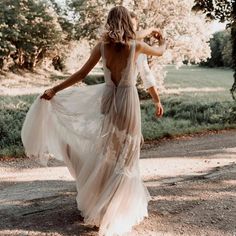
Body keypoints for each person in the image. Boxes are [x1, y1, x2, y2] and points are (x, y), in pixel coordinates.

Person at [21, 6, 166, 236]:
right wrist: (162, 39)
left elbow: (80, 74)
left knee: (109, 152)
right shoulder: (136, 46)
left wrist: (54, 89)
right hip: (128, 101)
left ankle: (106, 204)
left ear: (110, 22)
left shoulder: (102, 47)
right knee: (126, 155)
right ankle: (117, 209)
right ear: (128, 22)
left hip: (109, 100)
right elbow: (160, 51)